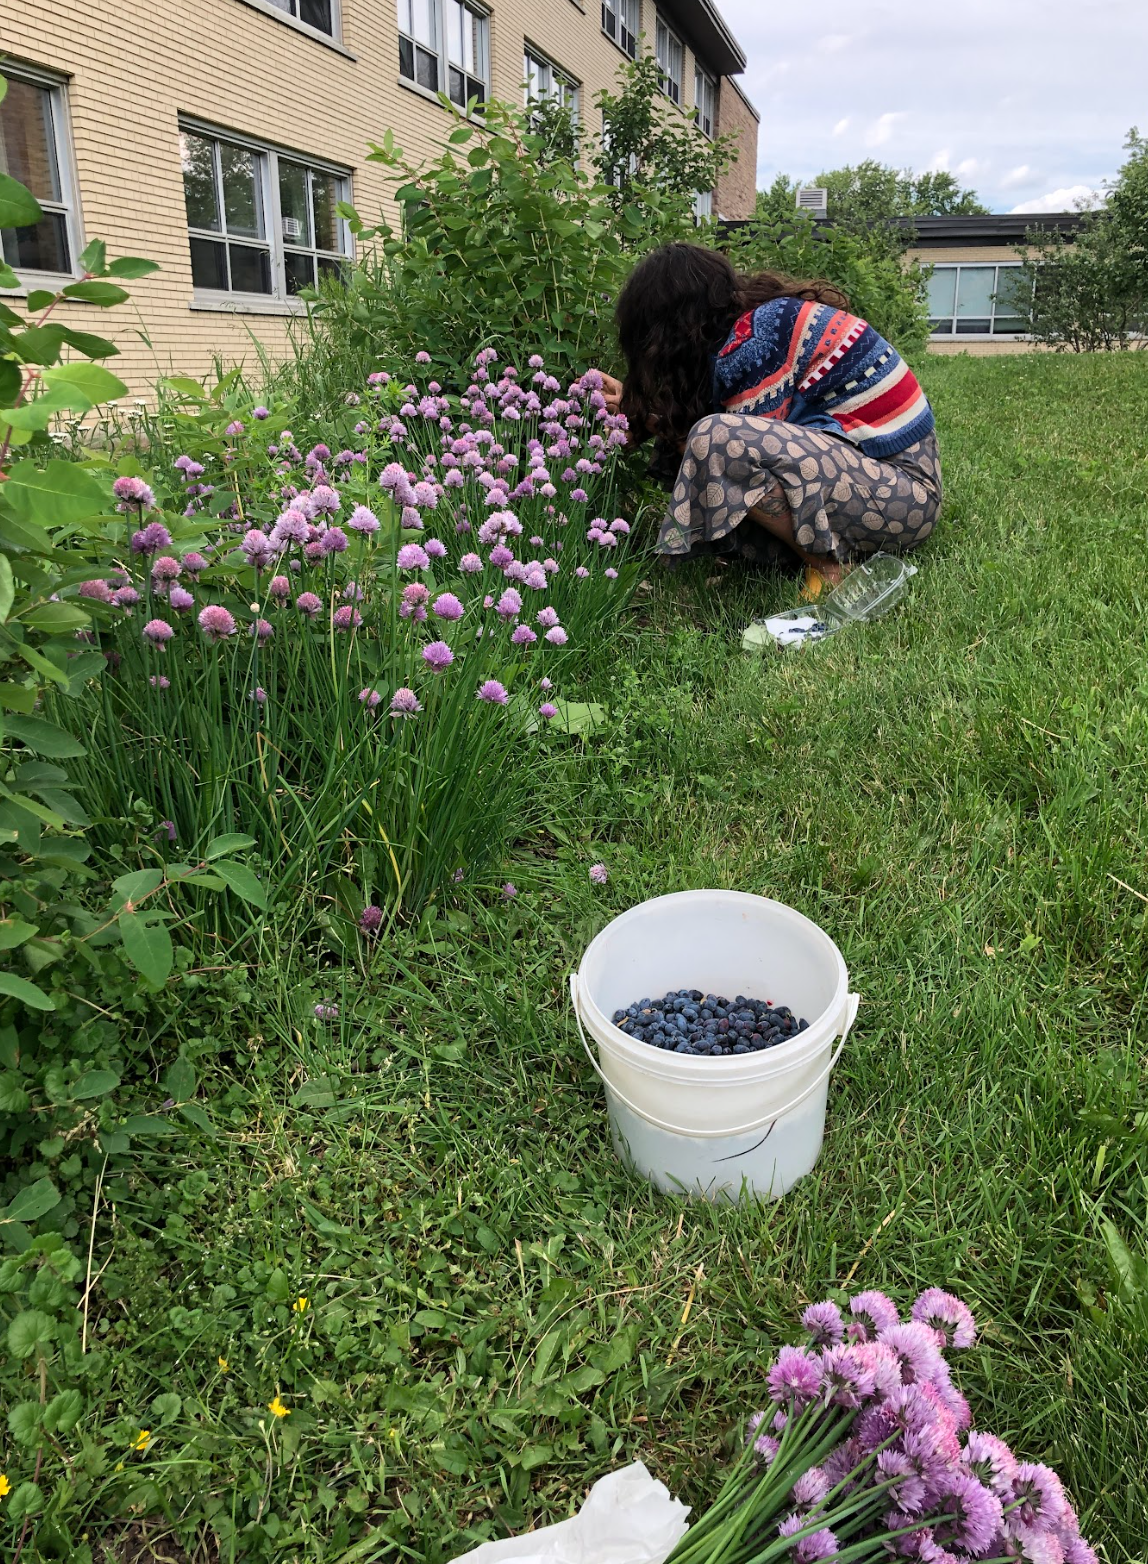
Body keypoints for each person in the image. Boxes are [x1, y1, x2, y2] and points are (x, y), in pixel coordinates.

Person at [595, 242, 941, 588]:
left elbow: (732, 453)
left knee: (714, 440)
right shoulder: (756, 325)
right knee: (704, 439)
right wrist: (640, 413)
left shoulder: (755, 341)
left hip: (905, 496)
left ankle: (831, 569)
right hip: (881, 485)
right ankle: (815, 555)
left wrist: (651, 422)